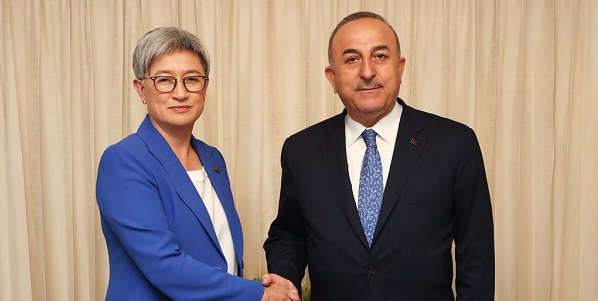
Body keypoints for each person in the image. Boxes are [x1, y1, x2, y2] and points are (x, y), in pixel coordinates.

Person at [264, 11, 495, 300]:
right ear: (332, 78)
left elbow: (477, 254)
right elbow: (289, 233)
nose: (368, 71)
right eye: (352, 59)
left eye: (380, 56)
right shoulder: (302, 150)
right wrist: (284, 279)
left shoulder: (454, 144)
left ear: (400, 68)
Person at [96, 27, 299, 301]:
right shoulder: (125, 160)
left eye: (192, 79)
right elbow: (164, 266)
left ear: (205, 86)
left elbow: (223, 254)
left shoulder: (213, 159)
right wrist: (259, 295)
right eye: (165, 80)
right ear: (140, 89)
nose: (180, 93)